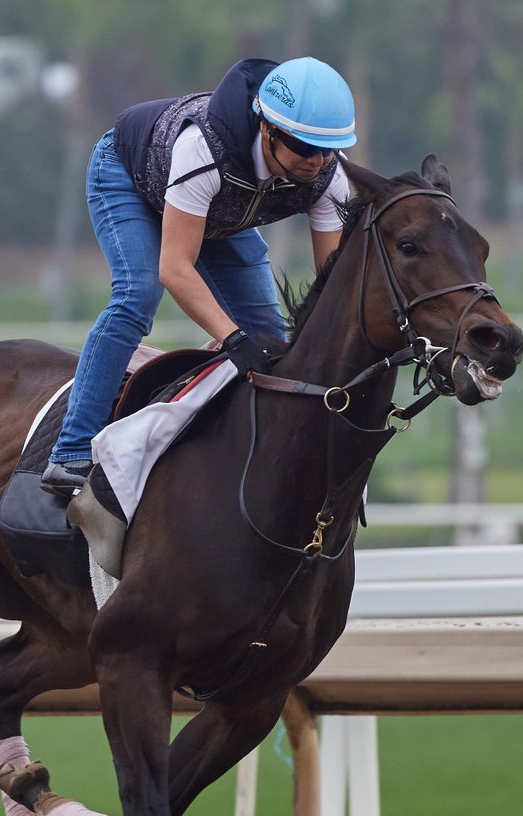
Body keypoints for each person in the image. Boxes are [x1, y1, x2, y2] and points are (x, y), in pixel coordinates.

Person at [41, 56, 357, 496]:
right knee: (138, 295)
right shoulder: (204, 148)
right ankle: (69, 451)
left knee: (267, 333)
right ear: (267, 128)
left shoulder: (328, 177)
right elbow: (174, 268)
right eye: (305, 147)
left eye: (328, 149)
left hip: (217, 214)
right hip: (129, 178)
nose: (317, 162)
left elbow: (331, 284)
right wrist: (231, 339)